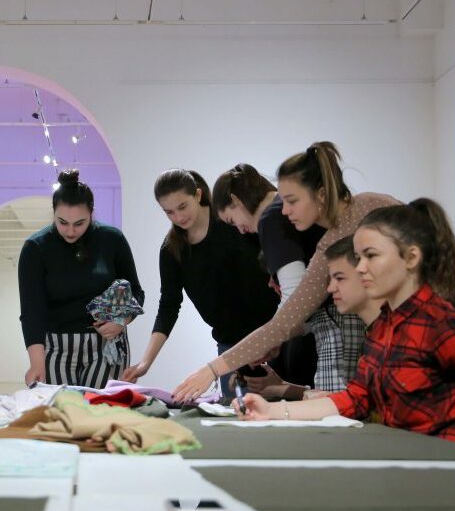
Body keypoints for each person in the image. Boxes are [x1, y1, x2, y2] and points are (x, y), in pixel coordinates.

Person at [235, 199, 455, 448]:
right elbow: (355, 398)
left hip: (452, 468)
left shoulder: (443, 326)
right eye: (359, 257)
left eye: (370, 256)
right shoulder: (381, 329)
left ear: (411, 258)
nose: (361, 267)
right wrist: (271, 410)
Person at [174, 141, 399, 403]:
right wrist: (280, 390)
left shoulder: (369, 210)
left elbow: (287, 319)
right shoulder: (328, 245)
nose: (283, 210)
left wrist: (213, 369)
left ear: (321, 195)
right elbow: (342, 399)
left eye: (291, 201)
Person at [212, 163, 364, 395]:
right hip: (336, 322)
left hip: (338, 323)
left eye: (232, 221)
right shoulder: (281, 218)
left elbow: (295, 300)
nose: (240, 230)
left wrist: (268, 340)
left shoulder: (271, 218)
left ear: (235, 200)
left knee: (337, 407)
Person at [123, 169, 279, 394]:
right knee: (238, 413)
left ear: (197, 195)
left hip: (275, 335)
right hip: (229, 346)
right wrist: (146, 363)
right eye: (169, 212)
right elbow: (168, 306)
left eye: (182, 207)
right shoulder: (171, 250)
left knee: (288, 406)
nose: (178, 217)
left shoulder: (231, 220)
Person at [18, 169, 144, 389]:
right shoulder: (35, 248)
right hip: (56, 346)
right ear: (53, 213)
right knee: (61, 409)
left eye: (79, 223)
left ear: (92, 213)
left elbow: (136, 292)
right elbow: (31, 312)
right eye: (62, 222)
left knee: (102, 409)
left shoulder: (112, 239)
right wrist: (36, 363)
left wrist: (121, 320)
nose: (70, 231)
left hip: (107, 345)